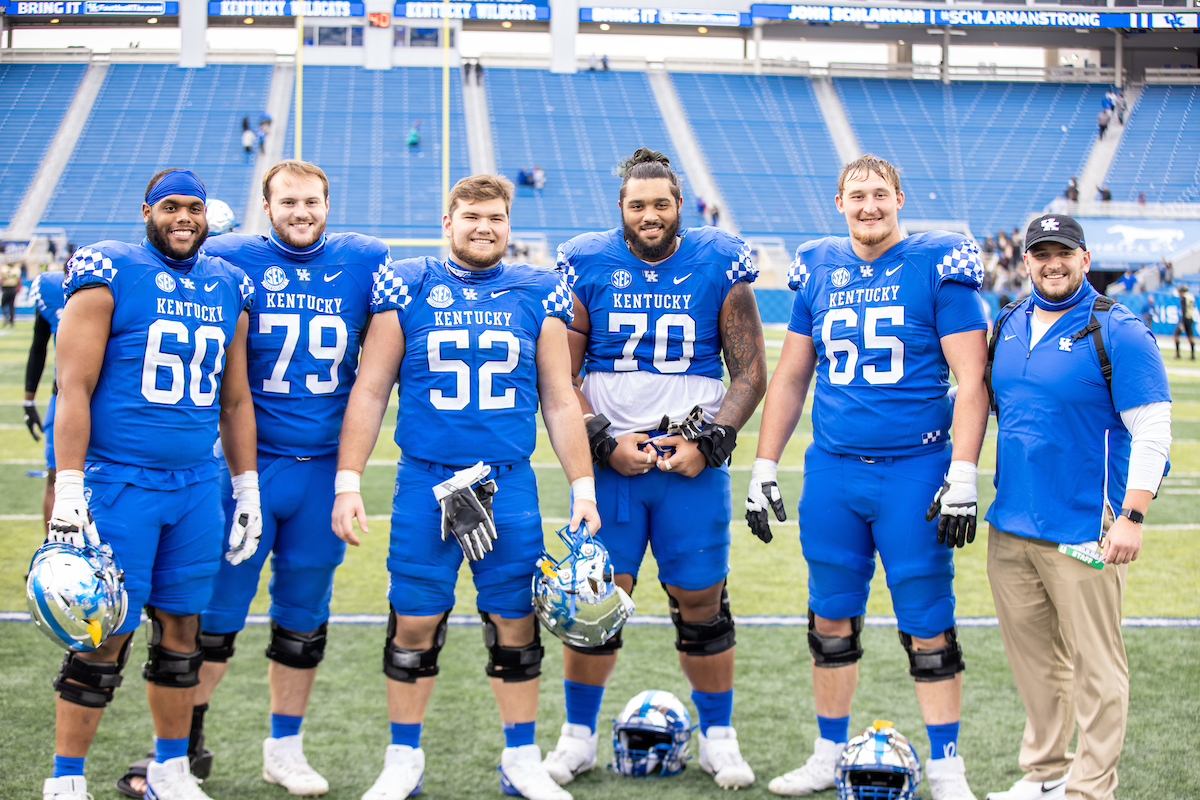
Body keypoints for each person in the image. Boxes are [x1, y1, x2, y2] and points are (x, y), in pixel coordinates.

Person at [113, 160, 394, 798]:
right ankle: (177, 754)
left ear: (329, 203)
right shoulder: (230, 256)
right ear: (266, 206)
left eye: (313, 201)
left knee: (303, 619)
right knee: (209, 619)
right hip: (247, 469)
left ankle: (284, 750)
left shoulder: (365, 260)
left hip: (323, 469)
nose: (301, 211)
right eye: (288, 201)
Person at [332, 174, 599, 800]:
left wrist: (582, 485)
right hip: (426, 483)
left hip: (507, 484)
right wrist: (348, 482)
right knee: (414, 620)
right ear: (447, 221)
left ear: (510, 224)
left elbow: (560, 400)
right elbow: (370, 391)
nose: (485, 227)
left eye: (497, 217)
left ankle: (521, 757)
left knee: (516, 619)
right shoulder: (410, 283)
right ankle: (403, 759)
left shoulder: (540, 291)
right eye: (472, 215)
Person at [751, 154, 989, 800]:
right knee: (829, 617)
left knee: (928, 620)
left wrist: (963, 471)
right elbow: (793, 375)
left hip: (916, 468)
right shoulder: (819, 268)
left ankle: (946, 767)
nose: (869, 206)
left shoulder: (938, 264)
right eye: (857, 195)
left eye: (879, 194)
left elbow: (974, 379)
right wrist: (764, 463)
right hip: (832, 470)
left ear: (900, 198)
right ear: (839, 203)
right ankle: (829, 751)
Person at [544, 147, 767, 790]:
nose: (650, 215)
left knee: (702, 600)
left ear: (680, 207)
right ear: (620, 208)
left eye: (661, 204)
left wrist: (714, 440)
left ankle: (719, 737)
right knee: (596, 602)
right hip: (611, 465)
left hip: (690, 464)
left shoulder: (719, 259)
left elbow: (749, 370)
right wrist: (600, 439)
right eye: (638, 205)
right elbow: (561, 374)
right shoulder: (585, 262)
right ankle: (578, 737)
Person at [41, 168, 260, 800]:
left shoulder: (227, 283)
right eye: (171, 206)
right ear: (147, 211)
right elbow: (73, 387)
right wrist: (71, 487)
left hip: (195, 485)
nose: (184, 217)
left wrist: (245, 486)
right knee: (102, 633)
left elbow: (237, 399)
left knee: (182, 633)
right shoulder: (111, 268)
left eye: (194, 207)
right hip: (119, 484)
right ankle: (66, 778)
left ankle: (169, 769)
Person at [984, 213, 1171, 800]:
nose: (1052, 262)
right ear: (1026, 260)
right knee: (1037, 666)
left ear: (1084, 259)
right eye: (1041, 253)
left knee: (1097, 668)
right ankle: (1045, 775)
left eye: (1063, 252)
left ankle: (1089, 789)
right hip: (1010, 527)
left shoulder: (1117, 329)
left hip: (1086, 529)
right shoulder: (1010, 322)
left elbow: (1154, 430)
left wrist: (1134, 516)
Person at [24, 264, 67, 525]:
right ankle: (53, 553)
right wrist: (28, 400)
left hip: (110, 397)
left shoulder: (121, 291)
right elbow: (38, 345)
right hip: (61, 394)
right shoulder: (53, 292)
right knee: (56, 476)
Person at [1175, 283, 1195, 360]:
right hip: (1190, 318)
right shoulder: (1190, 296)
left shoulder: (1183, 297)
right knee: (1190, 336)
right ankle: (1192, 355)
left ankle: (1178, 354)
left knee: (1176, 335)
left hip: (1185, 318)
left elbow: (1184, 310)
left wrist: (1182, 322)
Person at [0, 258, 21, 326]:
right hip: (13, 288)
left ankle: (7, 318)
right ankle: (11, 321)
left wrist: (2, 286)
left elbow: (2, 279)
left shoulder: (4, 269)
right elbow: (18, 279)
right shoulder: (16, 270)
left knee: (3, 304)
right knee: (11, 305)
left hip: (6, 288)